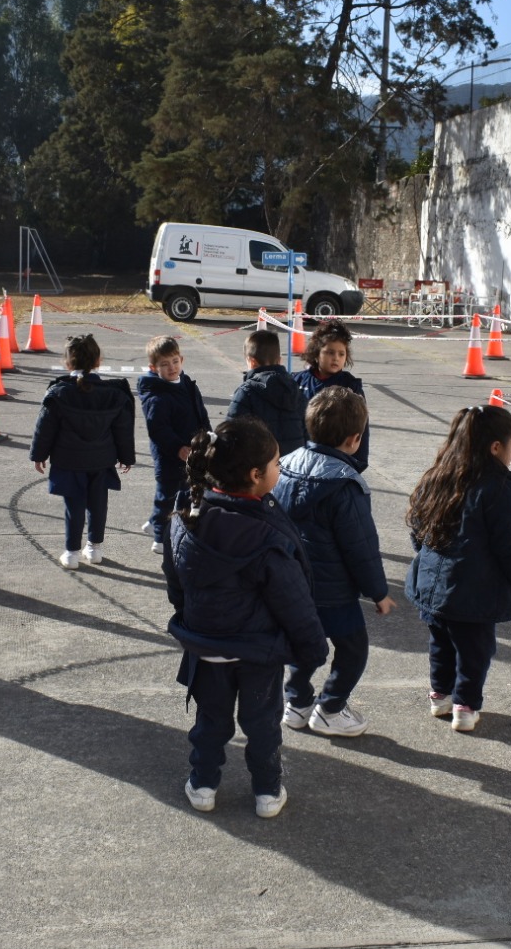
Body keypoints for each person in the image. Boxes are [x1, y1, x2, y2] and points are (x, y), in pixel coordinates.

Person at [163, 416, 326, 818]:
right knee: (262, 724)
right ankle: (267, 791)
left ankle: (202, 784)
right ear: (255, 475)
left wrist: (189, 617)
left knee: (211, 722)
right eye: (276, 463)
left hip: (206, 649)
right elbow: (293, 600)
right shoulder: (265, 537)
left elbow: (175, 577)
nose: (279, 468)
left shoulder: (186, 514)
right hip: (257, 652)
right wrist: (312, 648)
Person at [404, 404, 511, 733]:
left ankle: (439, 695)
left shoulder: (438, 477)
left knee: (440, 642)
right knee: (475, 650)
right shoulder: (497, 490)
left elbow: (417, 530)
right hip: (474, 595)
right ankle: (465, 707)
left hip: (433, 588)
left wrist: (427, 562)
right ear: (495, 447)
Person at [272, 387, 394, 737]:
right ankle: (331, 708)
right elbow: (361, 547)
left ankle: (296, 703)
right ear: (355, 439)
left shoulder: (284, 464)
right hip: (334, 590)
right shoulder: (345, 484)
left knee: (302, 645)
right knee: (352, 650)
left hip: (292, 583)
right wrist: (378, 593)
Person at [29, 333, 137, 569]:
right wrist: (127, 456)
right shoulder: (114, 394)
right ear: (98, 360)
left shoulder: (58, 393)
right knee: (98, 505)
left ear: (67, 363)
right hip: (101, 460)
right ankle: (95, 548)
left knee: (74, 506)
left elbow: (45, 428)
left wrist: (38, 454)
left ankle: (71, 552)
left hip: (69, 461)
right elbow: (123, 429)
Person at [137, 335, 210, 555]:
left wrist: (208, 436)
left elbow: (201, 413)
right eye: (165, 364)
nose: (172, 368)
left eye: (175, 361)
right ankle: (160, 538)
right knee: (166, 497)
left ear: (182, 359)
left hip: (192, 452)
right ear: (153, 367)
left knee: (187, 491)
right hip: (169, 457)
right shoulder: (155, 396)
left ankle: (153, 523)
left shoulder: (187, 385)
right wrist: (178, 448)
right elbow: (158, 430)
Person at [291, 319, 369, 469]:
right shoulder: (297, 381)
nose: (336, 358)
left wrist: (357, 464)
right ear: (316, 353)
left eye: (341, 354)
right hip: (300, 460)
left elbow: (361, 427)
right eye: (330, 352)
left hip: (337, 463)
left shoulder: (351, 387)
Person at [226, 330, 307, 458]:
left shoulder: (246, 392)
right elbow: (307, 430)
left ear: (252, 362)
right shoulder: (295, 389)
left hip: (260, 468)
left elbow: (230, 434)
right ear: (279, 360)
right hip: (295, 466)